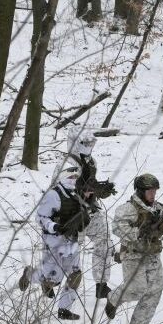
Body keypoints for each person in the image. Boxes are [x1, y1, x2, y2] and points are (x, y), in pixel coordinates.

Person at [104, 174, 163, 324]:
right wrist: (139, 231)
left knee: (154, 290)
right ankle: (113, 298)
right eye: (149, 191)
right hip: (133, 254)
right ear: (140, 191)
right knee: (136, 289)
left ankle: (139, 323)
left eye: (155, 191)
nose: (153, 194)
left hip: (153, 255)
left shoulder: (158, 208)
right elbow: (117, 228)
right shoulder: (127, 209)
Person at [18, 165, 92, 320]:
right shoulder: (53, 195)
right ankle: (29, 275)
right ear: (61, 176)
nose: (73, 180)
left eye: (75, 178)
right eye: (70, 177)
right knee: (52, 279)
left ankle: (64, 310)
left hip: (72, 240)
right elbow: (40, 217)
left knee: (75, 275)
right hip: (54, 241)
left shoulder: (76, 194)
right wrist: (54, 226)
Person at [62, 127, 116, 299]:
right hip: (71, 216)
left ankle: (102, 284)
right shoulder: (65, 164)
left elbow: (89, 184)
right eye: (85, 143)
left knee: (105, 241)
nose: (89, 147)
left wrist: (100, 190)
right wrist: (84, 191)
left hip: (90, 212)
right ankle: (49, 281)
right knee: (69, 256)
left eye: (91, 143)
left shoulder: (92, 163)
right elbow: (62, 190)